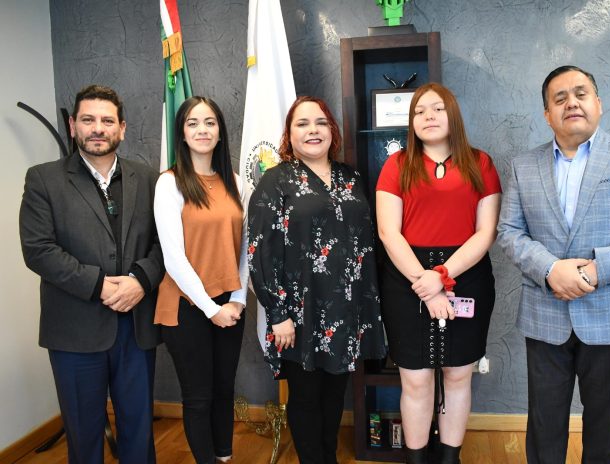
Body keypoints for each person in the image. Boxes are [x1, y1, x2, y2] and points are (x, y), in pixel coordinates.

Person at [497, 65, 610, 463]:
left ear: (598, 103)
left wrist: (590, 272)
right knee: (543, 429)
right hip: (545, 314)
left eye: (581, 93)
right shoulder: (523, 165)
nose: (571, 103)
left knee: (604, 430)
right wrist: (550, 270)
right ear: (547, 114)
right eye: (559, 98)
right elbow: (509, 232)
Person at [19, 85, 164, 463]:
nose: (98, 128)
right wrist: (99, 286)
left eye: (107, 120)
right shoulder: (43, 179)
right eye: (88, 119)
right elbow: (38, 249)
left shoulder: (149, 179)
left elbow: (166, 244)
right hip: (74, 331)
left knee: (139, 433)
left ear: (122, 128)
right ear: (73, 126)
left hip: (136, 328)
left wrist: (141, 281)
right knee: (83, 438)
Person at [247, 95, 386, 464]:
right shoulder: (274, 181)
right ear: (289, 134)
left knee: (334, 394)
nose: (313, 130)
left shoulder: (351, 178)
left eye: (321, 122)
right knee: (306, 397)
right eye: (302, 123)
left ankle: (328, 458)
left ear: (332, 131)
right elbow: (260, 251)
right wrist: (278, 313)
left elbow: (366, 243)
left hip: (346, 311)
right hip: (298, 315)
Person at [376, 82, 502, 464]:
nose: (428, 116)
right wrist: (428, 284)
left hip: (467, 273)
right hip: (406, 277)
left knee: (458, 375)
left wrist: (443, 275)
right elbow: (388, 232)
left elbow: (486, 232)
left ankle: (449, 459)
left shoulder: (481, 163)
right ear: (411, 121)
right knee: (415, 379)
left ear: (454, 115)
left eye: (437, 109)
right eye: (419, 111)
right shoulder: (396, 164)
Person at [153, 96, 248, 464]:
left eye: (210, 122)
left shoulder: (236, 183)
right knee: (199, 397)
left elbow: (245, 249)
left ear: (220, 132)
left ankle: (224, 457)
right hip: (187, 305)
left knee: (224, 389)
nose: (202, 130)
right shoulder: (170, 183)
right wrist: (211, 309)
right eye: (193, 123)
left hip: (229, 302)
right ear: (182, 133)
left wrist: (237, 299)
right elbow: (173, 258)